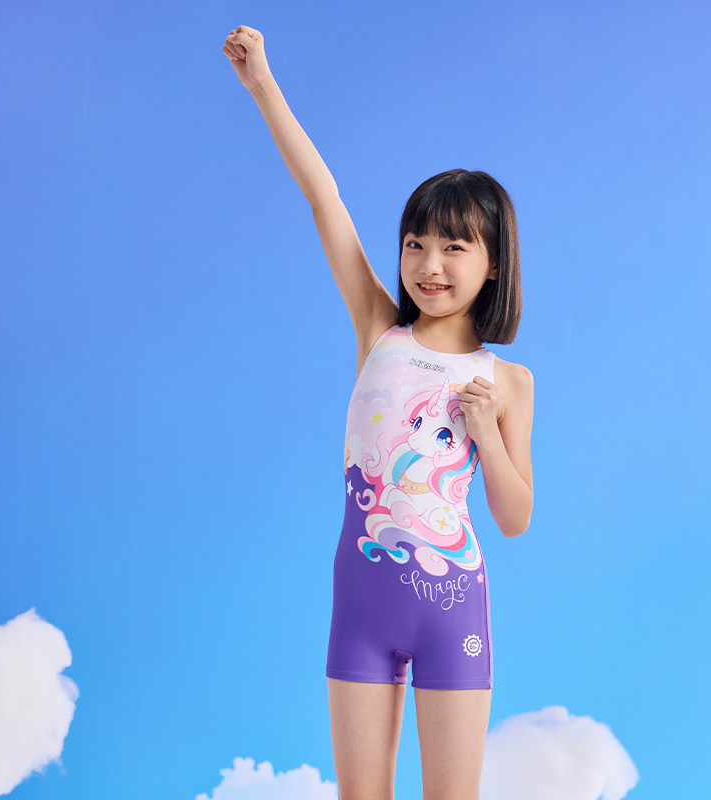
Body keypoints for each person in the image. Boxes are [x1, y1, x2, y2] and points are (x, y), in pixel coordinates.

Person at [222, 25, 534, 800]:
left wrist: (486, 432)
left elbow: (515, 517)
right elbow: (323, 197)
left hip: (453, 607)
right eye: (415, 243)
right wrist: (263, 85)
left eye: (454, 248)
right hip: (360, 607)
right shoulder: (378, 329)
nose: (429, 264)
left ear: (494, 263)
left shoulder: (509, 380)